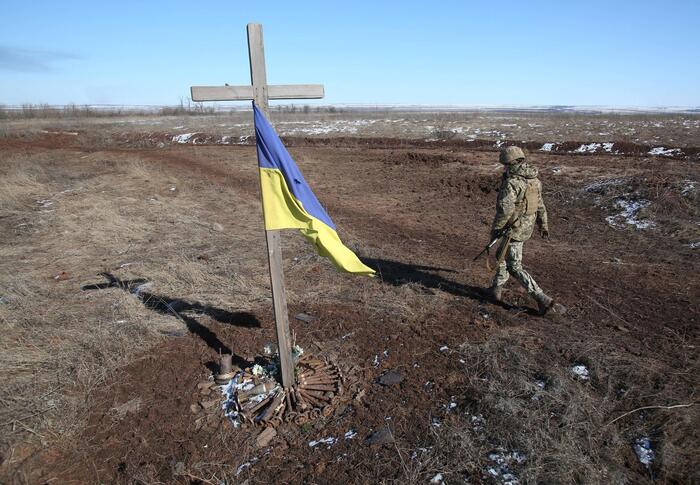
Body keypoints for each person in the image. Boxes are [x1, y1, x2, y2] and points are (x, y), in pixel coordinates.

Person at [488, 146, 557, 315]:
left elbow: (504, 209)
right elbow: (540, 205)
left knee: (514, 266)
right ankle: (496, 289)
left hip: (512, 229)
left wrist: (496, 229)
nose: (504, 168)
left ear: (509, 163)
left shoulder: (512, 182)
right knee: (501, 256)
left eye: (504, 164)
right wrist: (544, 224)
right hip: (526, 227)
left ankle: (543, 299)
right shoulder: (534, 180)